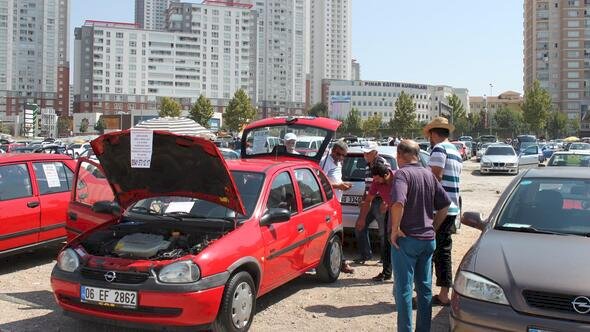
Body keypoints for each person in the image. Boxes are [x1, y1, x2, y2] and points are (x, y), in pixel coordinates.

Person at [389, 140, 451, 332]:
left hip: (407, 241)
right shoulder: (429, 174)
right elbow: (445, 205)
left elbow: (398, 202)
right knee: (424, 289)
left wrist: (395, 229)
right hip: (427, 240)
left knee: (404, 290)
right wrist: (433, 226)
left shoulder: (402, 174)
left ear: (400, 155)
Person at [423, 116, 463, 306]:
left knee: (433, 251)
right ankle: (444, 292)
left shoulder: (439, 149)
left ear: (433, 133)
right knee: (443, 250)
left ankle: (436, 293)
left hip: (439, 208)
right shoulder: (455, 150)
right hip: (452, 206)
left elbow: (435, 177)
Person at [354, 141, 392, 281]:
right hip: (371, 199)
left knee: (384, 233)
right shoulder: (367, 166)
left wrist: (385, 201)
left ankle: (385, 261)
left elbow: (387, 182)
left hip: (381, 200)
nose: (365, 155)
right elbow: (369, 185)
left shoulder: (382, 163)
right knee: (360, 226)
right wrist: (364, 200)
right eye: (364, 152)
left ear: (375, 153)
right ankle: (365, 254)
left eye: (368, 153)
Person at [320, 139, 354, 273]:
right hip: (327, 203)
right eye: (339, 154)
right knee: (334, 233)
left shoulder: (338, 163)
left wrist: (342, 184)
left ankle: (340, 260)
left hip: (336, 202)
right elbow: (320, 181)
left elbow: (334, 180)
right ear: (333, 151)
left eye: (343, 155)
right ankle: (341, 262)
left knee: (337, 232)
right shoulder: (325, 161)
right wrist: (338, 186)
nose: (341, 158)